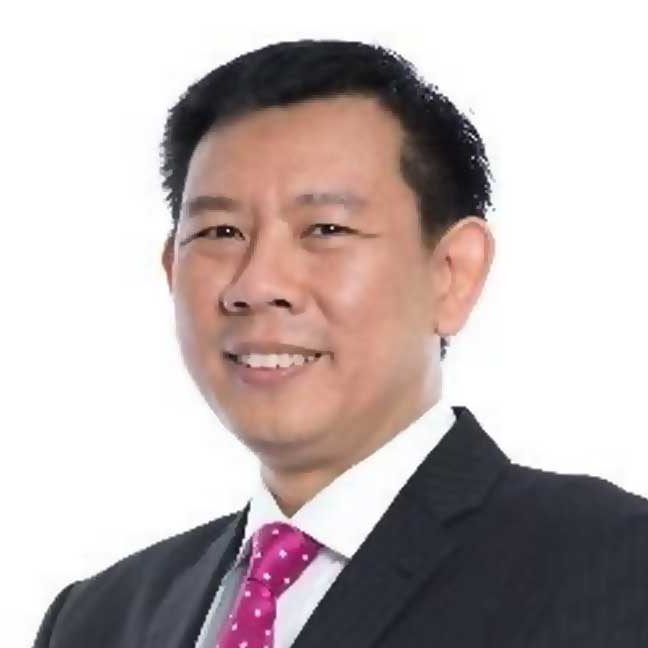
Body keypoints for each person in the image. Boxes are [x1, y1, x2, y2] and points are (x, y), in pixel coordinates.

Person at [34, 39, 648, 648]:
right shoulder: (96, 620)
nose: (258, 284)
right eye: (220, 232)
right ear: (173, 269)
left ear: (452, 274)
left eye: (325, 229)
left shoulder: (612, 564)